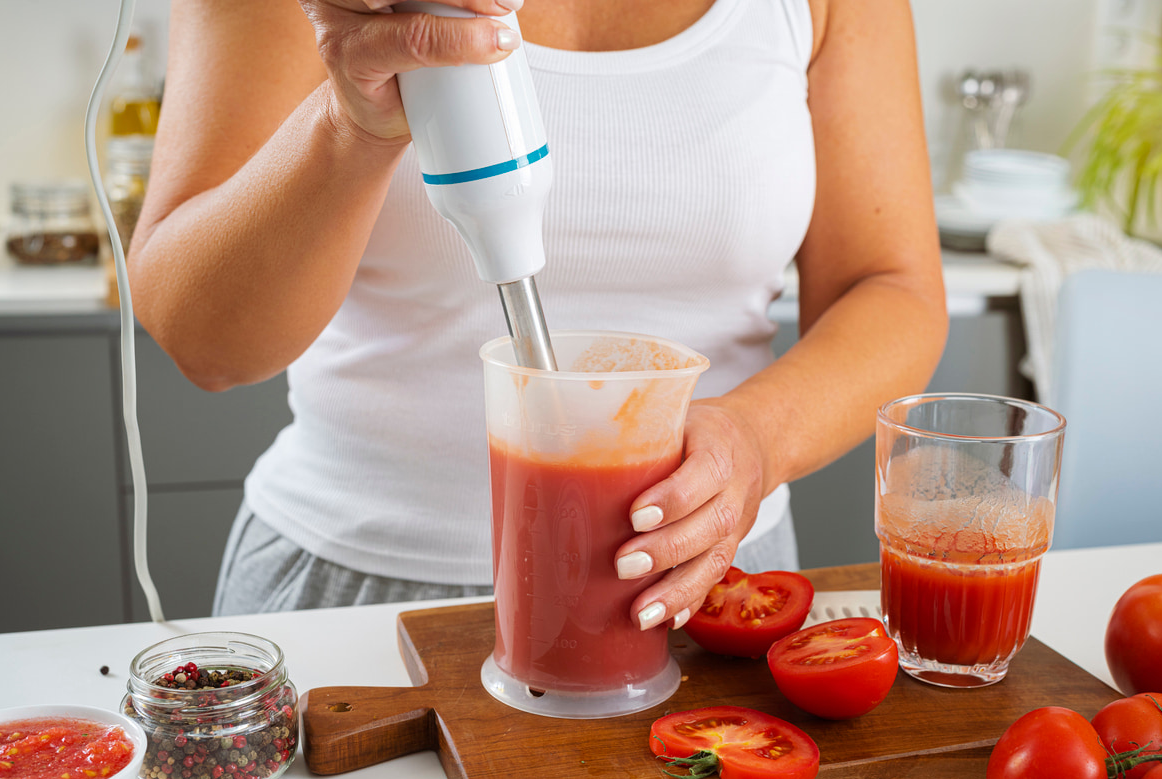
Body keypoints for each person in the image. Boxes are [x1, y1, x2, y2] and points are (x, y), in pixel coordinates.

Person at [127, 0, 948, 631]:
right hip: (357, 588)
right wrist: (351, 125)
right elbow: (209, 346)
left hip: (706, 587)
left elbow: (892, 288)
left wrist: (757, 441)